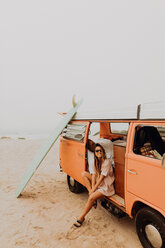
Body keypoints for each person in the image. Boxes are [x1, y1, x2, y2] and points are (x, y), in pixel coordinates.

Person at [73, 143, 115, 227]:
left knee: (91, 198)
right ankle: (93, 198)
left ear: (103, 152)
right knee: (84, 174)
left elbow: (101, 179)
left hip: (106, 186)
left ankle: (81, 217)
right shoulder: (95, 162)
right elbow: (94, 175)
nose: (99, 152)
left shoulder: (107, 162)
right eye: (97, 151)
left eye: (100, 150)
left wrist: (93, 190)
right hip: (98, 183)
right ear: (95, 153)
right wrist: (91, 190)